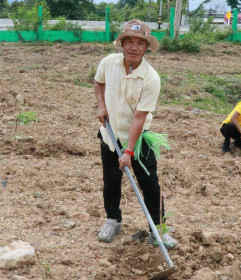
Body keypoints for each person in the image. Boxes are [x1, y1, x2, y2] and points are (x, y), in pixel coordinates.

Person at [94, 19, 177, 249]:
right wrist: (101, 105)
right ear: (121, 44)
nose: (133, 47)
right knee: (111, 180)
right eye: (128, 41)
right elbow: (98, 83)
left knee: (150, 184)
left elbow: (139, 117)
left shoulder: (151, 78)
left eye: (140, 43)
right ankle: (113, 220)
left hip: (139, 140)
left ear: (146, 47)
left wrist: (129, 151)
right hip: (110, 136)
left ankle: (158, 230)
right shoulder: (109, 63)